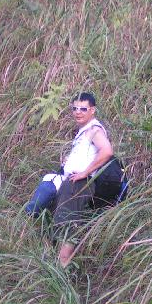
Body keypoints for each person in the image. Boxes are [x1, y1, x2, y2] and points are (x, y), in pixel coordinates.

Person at [54, 92, 113, 267]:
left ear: (92, 110)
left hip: (79, 183)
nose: (78, 112)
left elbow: (107, 151)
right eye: (75, 108)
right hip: (73, 182)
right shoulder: (84, 130)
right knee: (63, 220)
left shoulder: (94, 129)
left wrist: (85, 172)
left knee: (68, 223)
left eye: (83, 109)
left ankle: (62, 266)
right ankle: (60, 264)